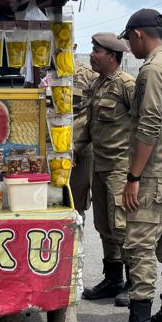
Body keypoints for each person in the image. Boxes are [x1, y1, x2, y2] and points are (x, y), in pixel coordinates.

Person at [99, 8, 162, 322]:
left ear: (138, 34)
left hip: (154, 173)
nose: (129, 48)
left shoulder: (153, 70)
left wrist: (133, 176)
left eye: (129, 40)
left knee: (137, 244)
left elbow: (149, 127)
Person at [77, 33, 136, 307]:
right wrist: (71, 149)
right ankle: (113, 279)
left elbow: (144, 125)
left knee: (122, 226)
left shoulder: (126, 85)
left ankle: (134, 283)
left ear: (112, 56)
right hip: (99, 165)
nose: (92, 55)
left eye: (96, 51)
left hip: (119, 169)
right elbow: (88, 125)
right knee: (104, 226)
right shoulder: (97, 83)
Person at [69, 45, 96, 214]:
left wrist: (76, 147)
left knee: (76, 205)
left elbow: (94, 114)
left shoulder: (89, 76)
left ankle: (76, 239)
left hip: (79, 150)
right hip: (45, 150)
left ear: (73, 46)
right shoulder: (39, 74)